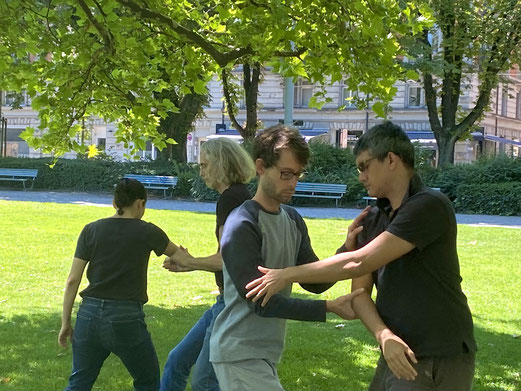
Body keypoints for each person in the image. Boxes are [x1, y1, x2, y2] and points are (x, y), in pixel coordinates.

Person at [246, 121, 477, 390]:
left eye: (365, 166)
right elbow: (360, 294)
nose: (361, 177)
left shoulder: (430, 206)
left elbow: (359, 262)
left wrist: (286, 275)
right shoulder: (373, 218)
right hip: (397, 350)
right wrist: (384, 335)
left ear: (390, 160)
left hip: (440, 351)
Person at [209, 124, 364, 391]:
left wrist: (346, 249)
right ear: (260, 166)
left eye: (297, 175)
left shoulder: (292, 219)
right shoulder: (242, 223)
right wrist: (329, 308)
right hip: (238, 353)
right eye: (285, 174)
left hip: (264, 353)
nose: (292, 183)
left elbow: (313, 281)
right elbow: (261, 303)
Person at [58, 178, 181, 391]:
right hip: (126, 318)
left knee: (79, 382)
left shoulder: (91, 230)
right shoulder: (148, 231)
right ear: (140, 203)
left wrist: (65, 322)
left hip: (88, 316)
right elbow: (181, 256)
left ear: (115, 203)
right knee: (147, 381)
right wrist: (188, 260)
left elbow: (72, 280)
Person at [160, 137, 256, 391]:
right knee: (176, 362)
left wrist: (190, 261)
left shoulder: (231, 199)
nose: (201, 171)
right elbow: (229, 257)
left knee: (205, 381)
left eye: (204, 165)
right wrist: (191, 265)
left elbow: (229, 258)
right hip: (224, 302)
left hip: (232, 305)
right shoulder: (237, 196)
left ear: (221, 165)